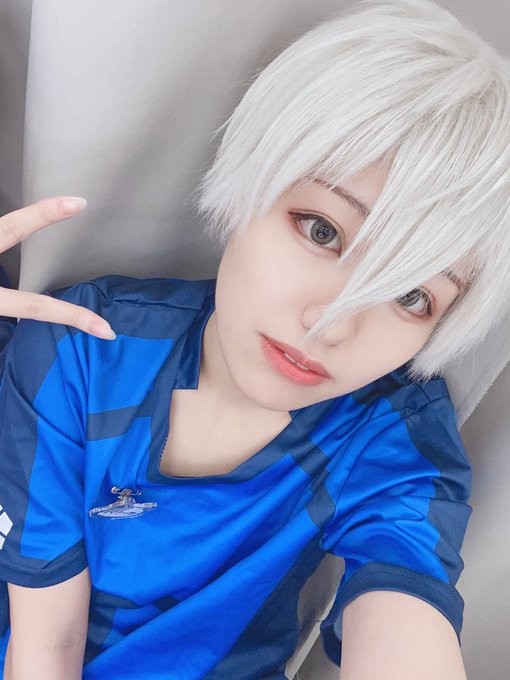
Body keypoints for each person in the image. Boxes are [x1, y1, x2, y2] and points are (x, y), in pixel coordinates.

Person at [0, 0, 509, 677]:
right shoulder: (87, 348)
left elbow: (407, 609)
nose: (333, 323)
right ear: (250, 180)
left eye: (411, 295)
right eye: (322, 231)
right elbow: (44, 645)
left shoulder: (391, 439)